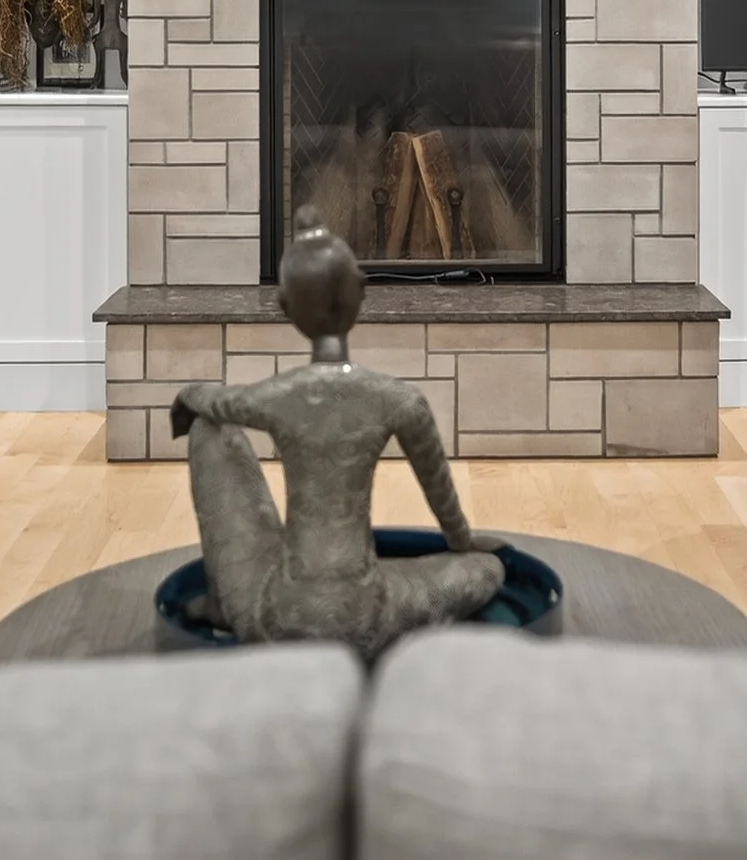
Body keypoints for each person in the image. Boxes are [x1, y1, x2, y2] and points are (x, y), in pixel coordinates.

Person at [168, 207, 505, 659]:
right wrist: (463, 544)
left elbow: (213, 402)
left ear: (285, 307)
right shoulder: (399, 399)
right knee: (488, 569)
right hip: (370, 617)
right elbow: (441, 496)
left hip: (276, 617)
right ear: (362, 291)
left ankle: (221, 604)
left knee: (210, 431)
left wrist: (188, 396)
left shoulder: (275, 394)